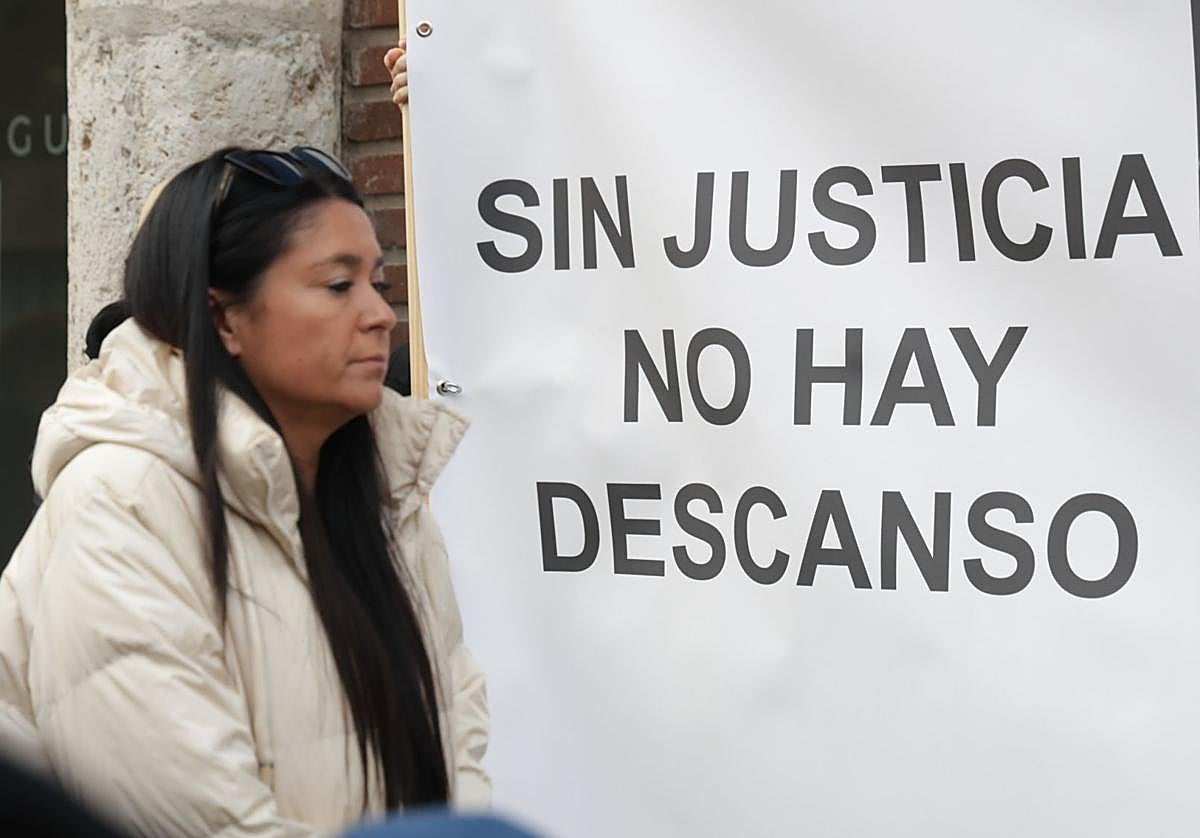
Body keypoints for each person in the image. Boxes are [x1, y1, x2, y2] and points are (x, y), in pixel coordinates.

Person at [0, 143, 490, 836]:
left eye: (379, 286)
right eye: (337, 285)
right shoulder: (122, 501)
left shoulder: (387, 493)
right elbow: (197, 820)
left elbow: (454, 732)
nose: (380, 314)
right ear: (225, 316)